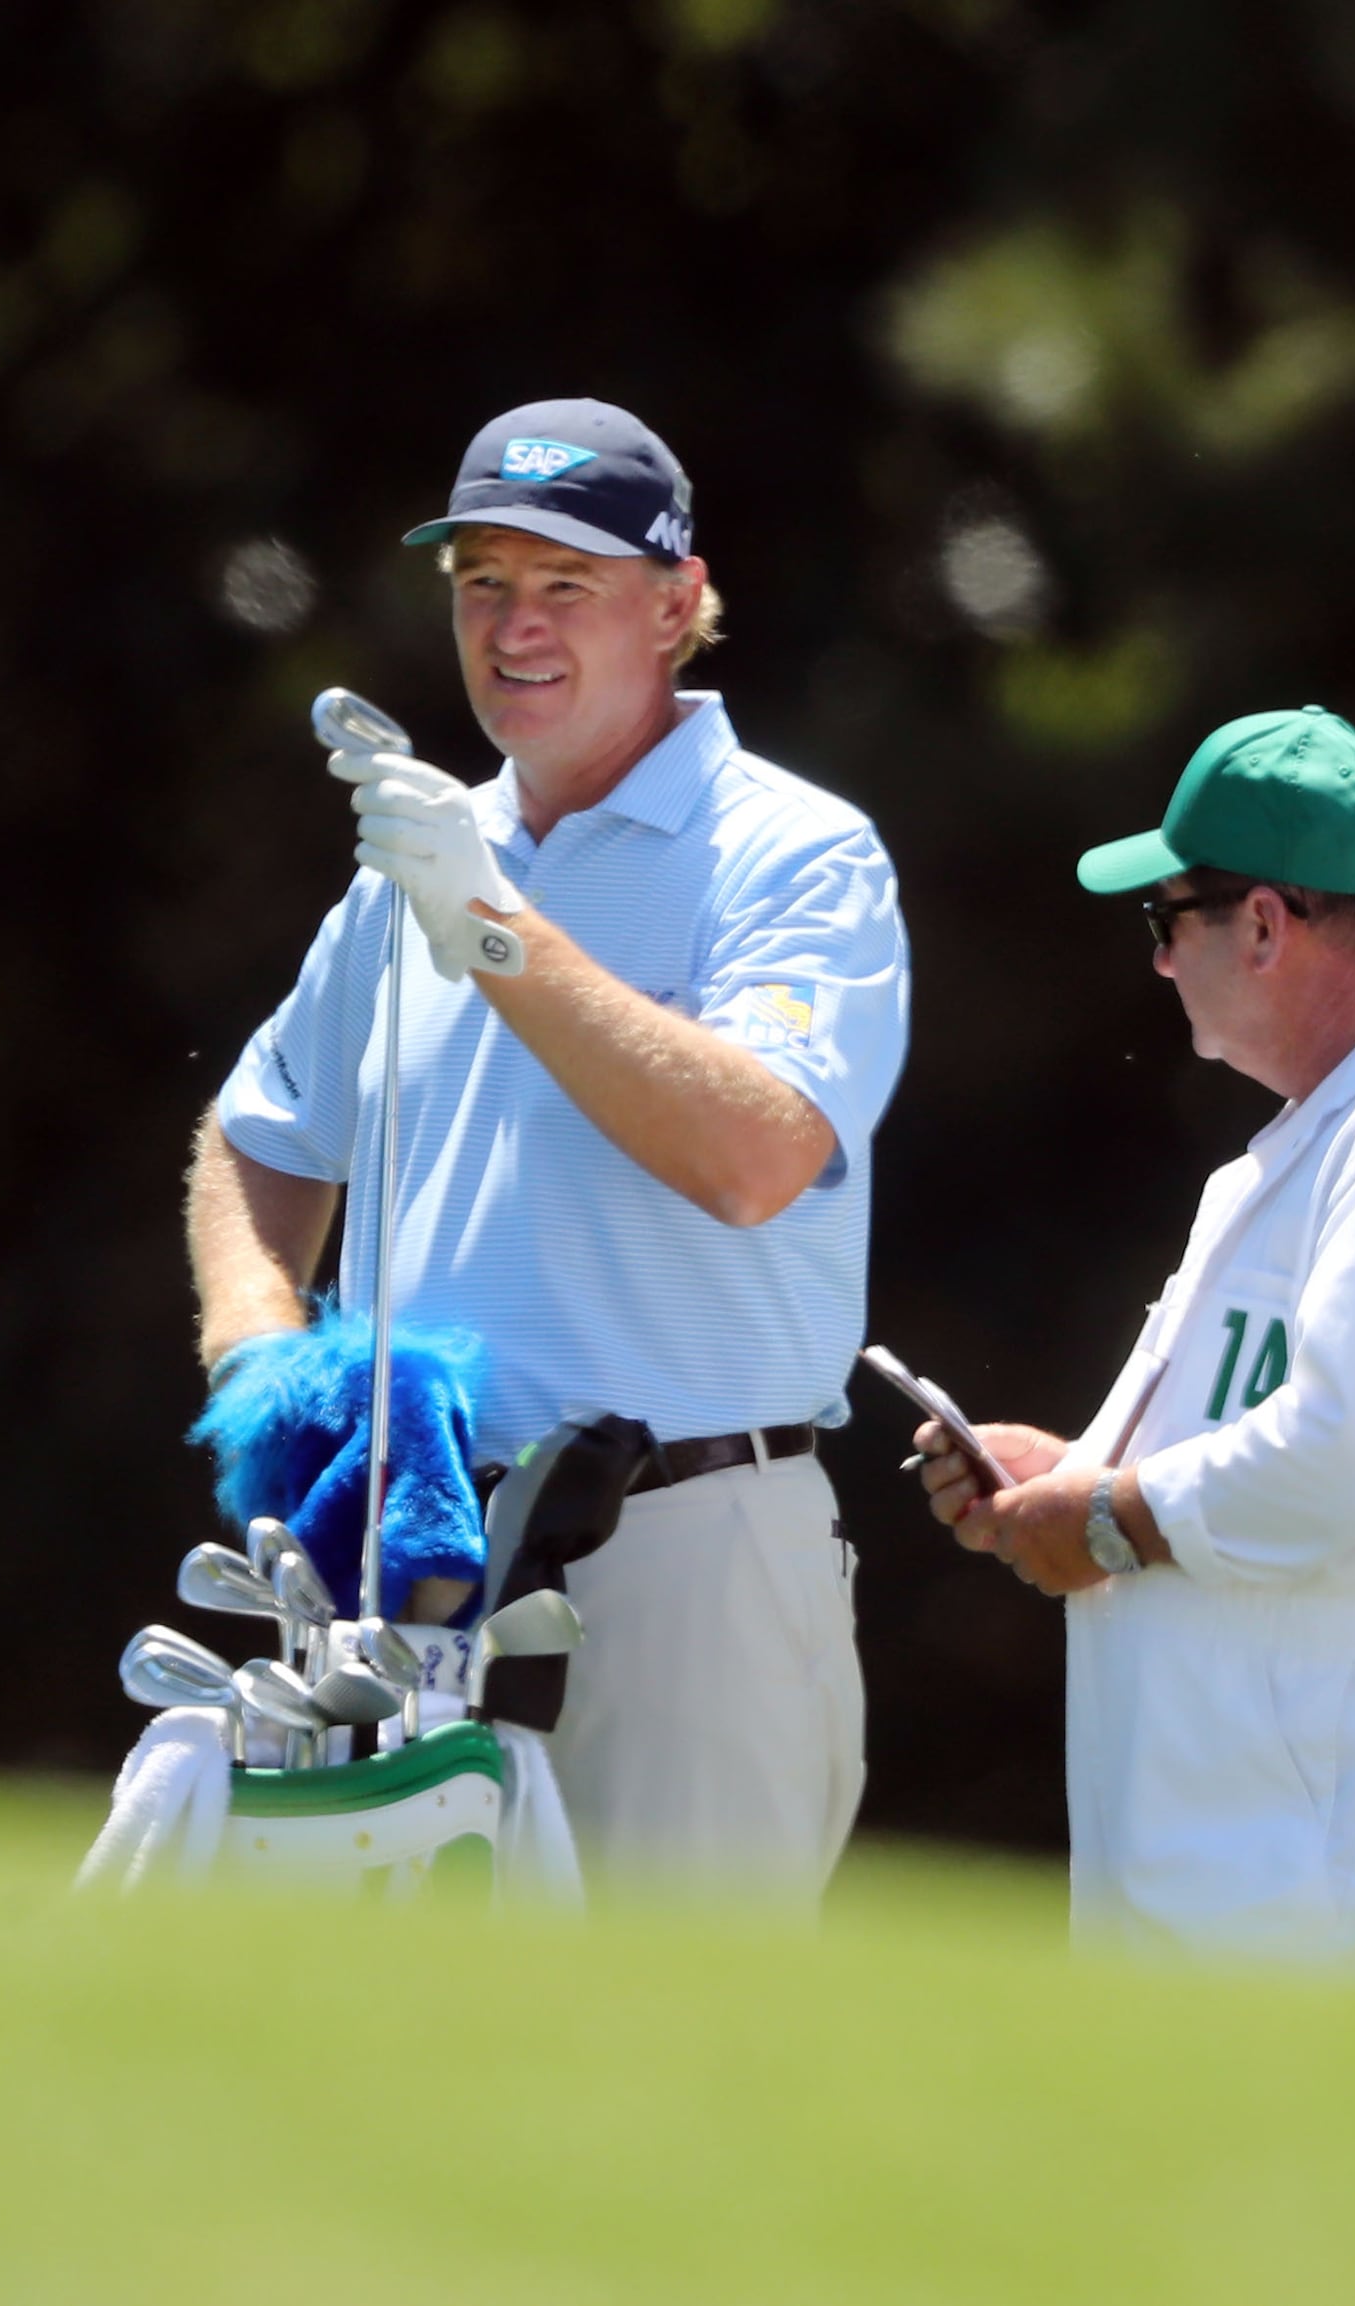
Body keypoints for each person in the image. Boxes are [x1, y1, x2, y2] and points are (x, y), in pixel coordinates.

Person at [187, 398, 909, 1903]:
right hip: (416, 1575)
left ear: (675, 602)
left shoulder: (797, 854)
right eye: (482, 585)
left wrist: (496, 926)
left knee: (681, 2090)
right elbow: (259, 1134)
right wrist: (264, 1366)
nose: (514, 625)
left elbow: (754, 1153)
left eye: (564, 585)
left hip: (686, 1560)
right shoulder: (414, 863)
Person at [916, 707, 1355, 1974]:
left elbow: (1349, 1449)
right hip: (1266, 1850)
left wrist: (1102, 1517)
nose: (1157, 962)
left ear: (1261, 923)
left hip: (1346, 1866)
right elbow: (1250, 1439)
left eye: (1166, 919)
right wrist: (1068, 1466)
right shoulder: (1344, 1131)